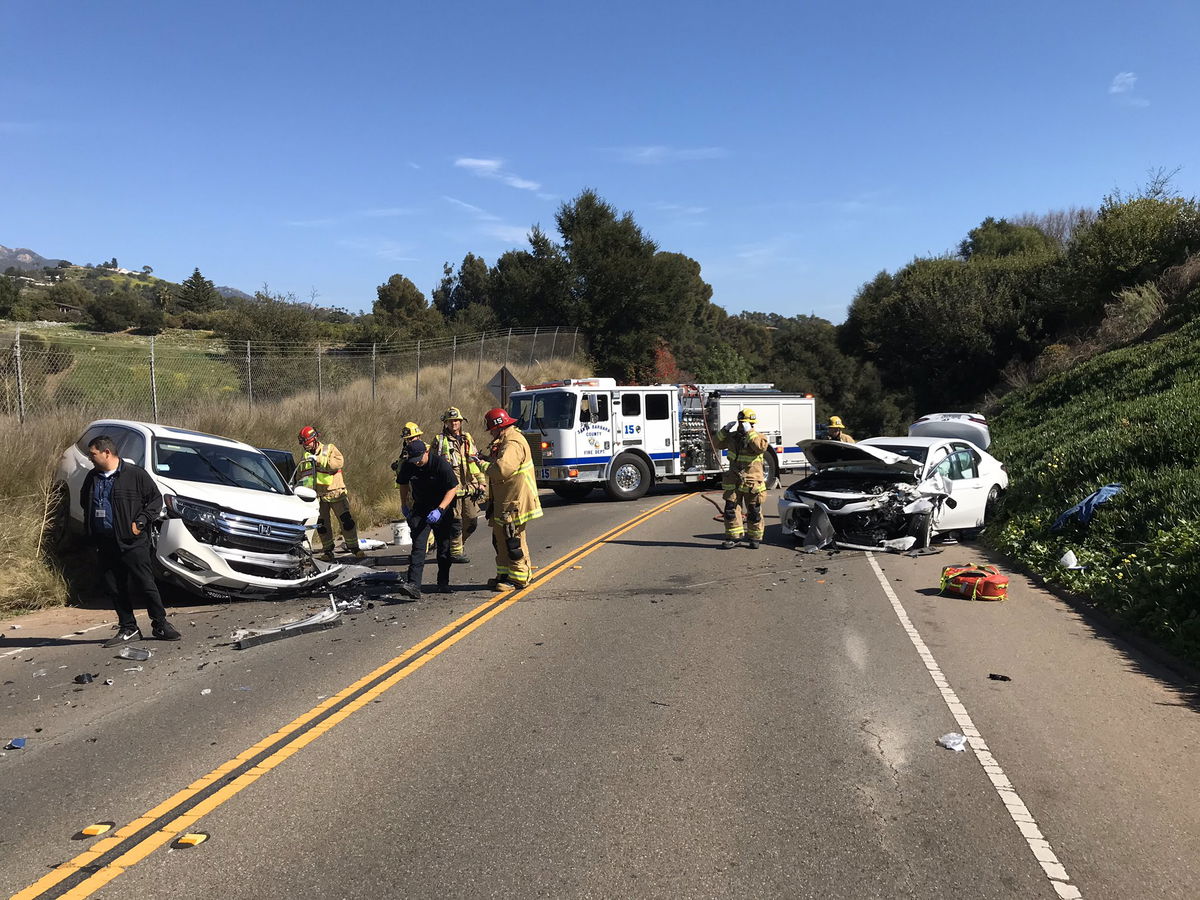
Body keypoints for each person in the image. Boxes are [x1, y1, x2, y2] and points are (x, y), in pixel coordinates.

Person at [80, 435, 181, 646]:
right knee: (115, 587)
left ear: (107, 452)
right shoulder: (92, 477)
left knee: (145, 583)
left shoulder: (135, 475)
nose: (90, 458)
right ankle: (128, 627)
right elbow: (85, 500)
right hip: (105, 542)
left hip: (132, 541)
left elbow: (155, 500)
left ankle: (160, 624)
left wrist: (140, 522)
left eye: (93, 454)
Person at [480, 407, 542, 591]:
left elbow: (502, 470)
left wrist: (482, 464)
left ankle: (519, 578)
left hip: (515, 500)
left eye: (491, 429)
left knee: (512, 538)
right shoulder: (504, 440)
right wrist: (484, 458)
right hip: (505, 500)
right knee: (500, 538)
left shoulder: (513, 443)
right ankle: (505, 574)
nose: (490, 433)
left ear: (499, 427)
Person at [393, 439, 459, 598]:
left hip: (441, 507)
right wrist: (404, 504)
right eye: (414, 460)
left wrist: (440, 509)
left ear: (426, 453)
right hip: (421, 507)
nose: (417, 463)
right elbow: (402, 483)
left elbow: (452, 487)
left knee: (444, 546)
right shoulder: (409, 464)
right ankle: (413, 585)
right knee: (419, 545)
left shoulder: (440, 464)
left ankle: (443, 582)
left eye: (419, 459)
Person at [294, 426, 364, 561]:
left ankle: (355, 548)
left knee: (346, 521)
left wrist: (319, 460)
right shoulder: (305, 457)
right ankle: (328, 551)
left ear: (313, 439)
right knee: (322, 526)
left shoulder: (329, 449)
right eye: (302, 442)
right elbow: (300, 476)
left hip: (335, 492)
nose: (304, 445)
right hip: (318, 497)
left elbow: (339, 463)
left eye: (305, 442)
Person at [430, 407, 488, 564]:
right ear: (446, 423)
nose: (454, 423)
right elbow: (433, 464)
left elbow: (474, 462)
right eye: (450, 421)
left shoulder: (467, 439)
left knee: (472, 520)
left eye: (456, 420)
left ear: (461, 422)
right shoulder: (439, 440)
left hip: (468, 488)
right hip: (450, 490)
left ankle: (456, 546)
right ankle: (455, 552)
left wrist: (481, 482)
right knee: (456, 522)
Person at [714, 408, 769, 549]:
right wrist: (724, 430)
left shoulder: (759, 437)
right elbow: (717, 444)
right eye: (741, 422)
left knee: (754, 511)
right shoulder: (732, 437)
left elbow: (760, 448)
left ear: (752, 424)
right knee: (731, 509)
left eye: (746, 423)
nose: (742, 425)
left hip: (752, 482)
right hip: (734, 480)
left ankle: (755, 538)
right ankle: (734, 537)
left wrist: (749, 432)